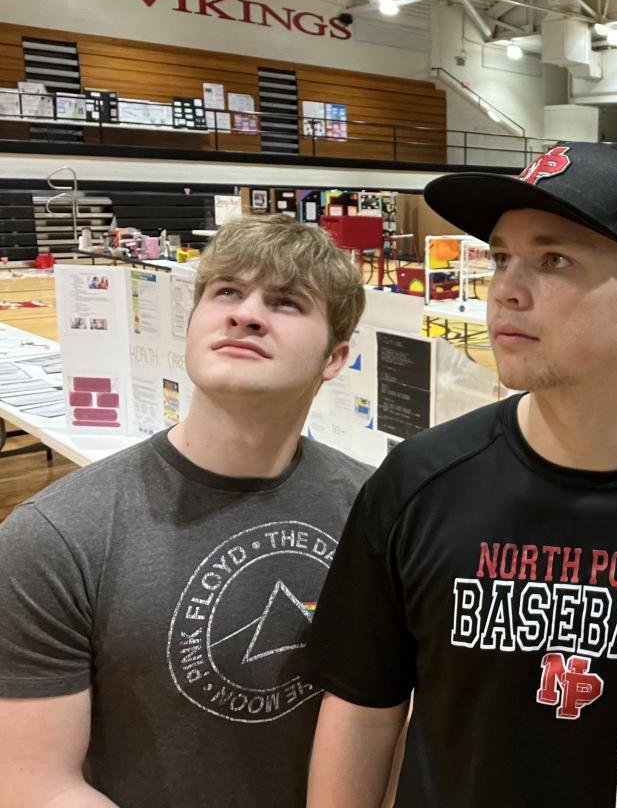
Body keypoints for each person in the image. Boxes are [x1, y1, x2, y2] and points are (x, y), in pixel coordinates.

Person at [305, 142, 617, 808]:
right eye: (502, 257)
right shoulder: (417, 483)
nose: (505, 289)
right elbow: (363, 708)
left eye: (554, 260)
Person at [0, 215, 373, 808]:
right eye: (226, 291)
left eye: (286, 302)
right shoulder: (54, 537)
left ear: (336, 358)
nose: (246, 314)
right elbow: (36, 785)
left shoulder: (377, 510)